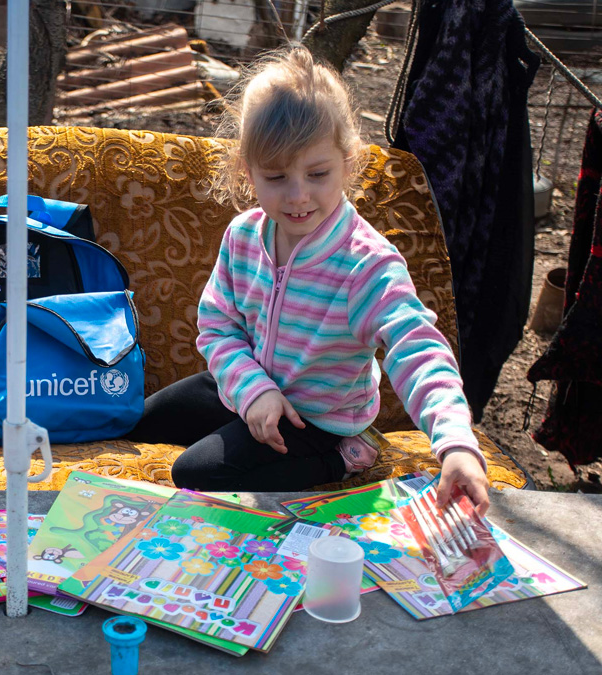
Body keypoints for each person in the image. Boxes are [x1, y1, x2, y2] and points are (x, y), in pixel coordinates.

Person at [126, 46, 491, 514]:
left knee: (195, 474)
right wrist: (254, 391)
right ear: (247, 170)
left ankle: (342, 458)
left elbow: (417, 348)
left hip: (319, 419)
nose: (298, 196)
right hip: (252, 387)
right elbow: (218, 326)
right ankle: (247, 422)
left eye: (318, 173)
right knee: (142, 420)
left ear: (347, 161)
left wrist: (456, 444)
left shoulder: (367, 263)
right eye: (276, 176)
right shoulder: (243, 235)